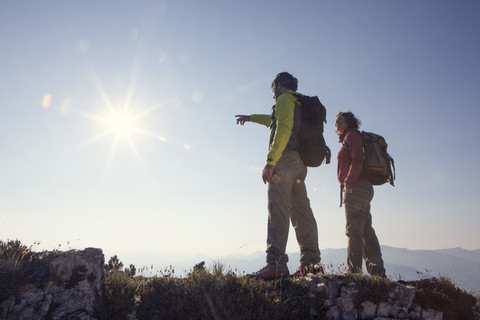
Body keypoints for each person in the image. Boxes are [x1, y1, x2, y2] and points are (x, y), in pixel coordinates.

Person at [235, 72, 322, 280]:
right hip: (300, 164)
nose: (272, 93)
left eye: (272, 87)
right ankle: (311, 264)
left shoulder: (284, 99)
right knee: (302, 211)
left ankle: (276, 265)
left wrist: (270, 162)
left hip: (285, 161)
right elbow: (273, 121)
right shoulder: (298, 102)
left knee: (278, 208)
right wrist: (251, 118)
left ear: (279, 85)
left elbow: (283, 128)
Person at [335, 111, 386, 277]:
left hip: (355, 187)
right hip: (362, 186)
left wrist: (348, 182)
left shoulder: (352, 136)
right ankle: (377, 271)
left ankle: (354, 272)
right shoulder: (352, 137)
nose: (336, 123)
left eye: (339, 120)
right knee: (365, 229)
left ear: (348, 122)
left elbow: (357, 160)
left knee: (353, 230)